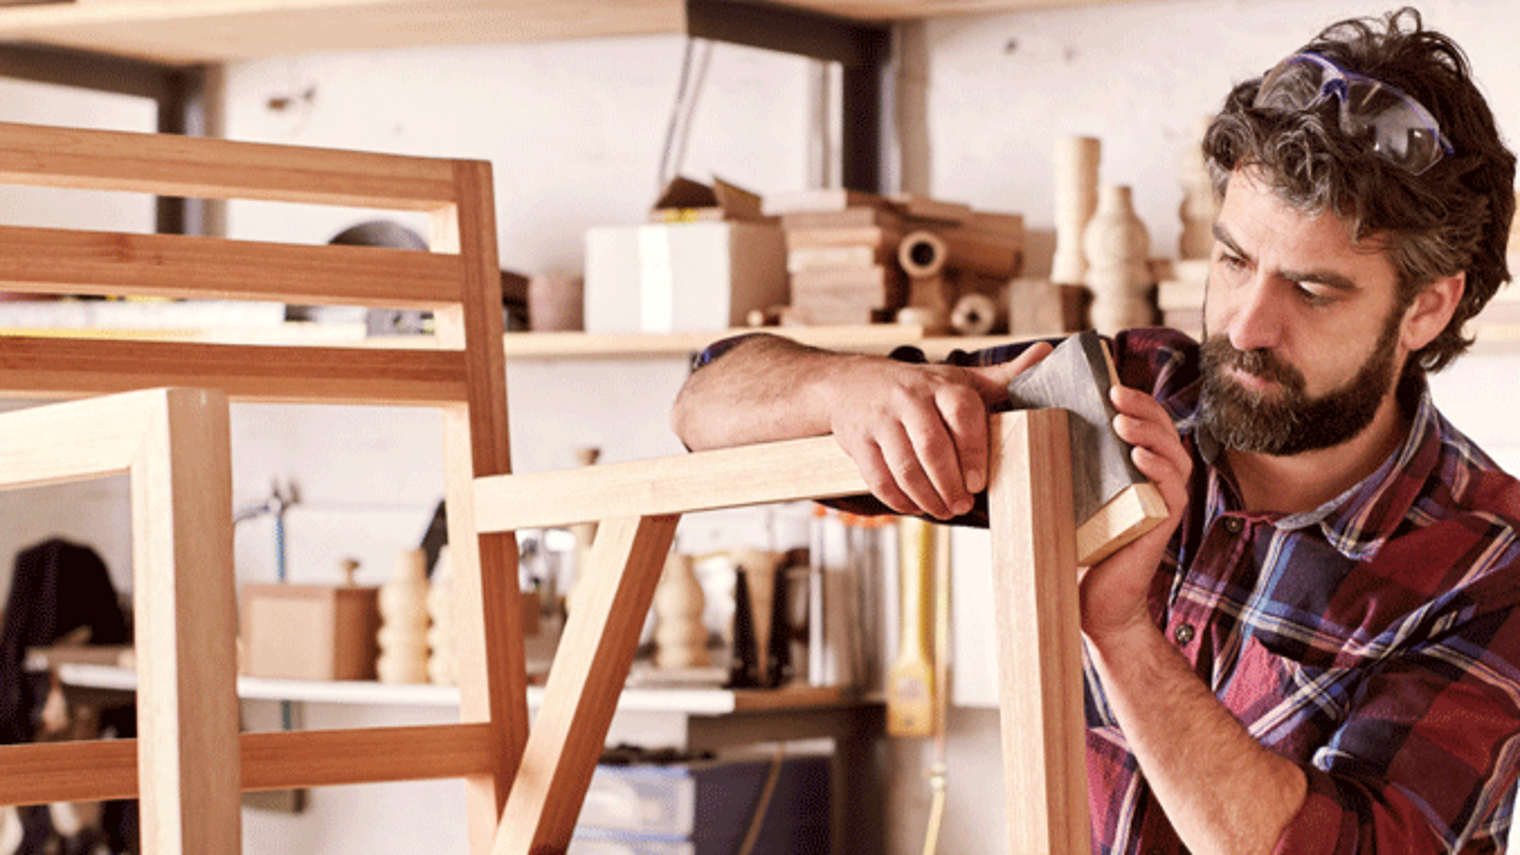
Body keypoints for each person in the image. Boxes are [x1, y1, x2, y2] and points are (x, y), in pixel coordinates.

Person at [670, 8, 1520, 853]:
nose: (1246, 323)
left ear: (1428, 307)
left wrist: (1121, 634)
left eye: (1312, 290)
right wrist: (853, 390)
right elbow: (707, 405)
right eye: (1233, 261)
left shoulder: (1488, 562)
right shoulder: (1119, 394)